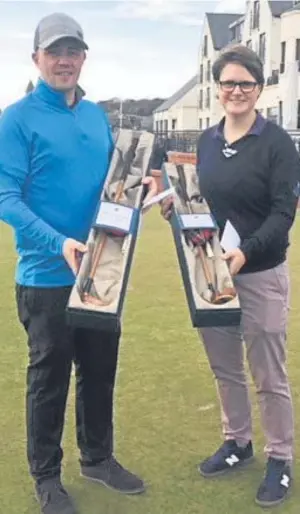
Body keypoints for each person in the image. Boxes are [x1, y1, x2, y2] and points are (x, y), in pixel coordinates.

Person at [0, 12, 157, 514]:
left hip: (101, 272)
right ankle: (47, 477)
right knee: (48, 379)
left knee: (99, 370)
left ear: (84, 56)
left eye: (73, 51)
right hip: (46, 276)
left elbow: (115, 186)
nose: (64, 61)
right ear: (37, 58)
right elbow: (5, 196)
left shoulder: (94, 116)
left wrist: (143, 188)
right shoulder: (16, 118)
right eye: (54, 52)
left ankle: (97, 457)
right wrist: (58, 242)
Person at [161, 44, 300, 508]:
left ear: (258, 88)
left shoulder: (277, 143)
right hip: (212, 272)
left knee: (268, 372)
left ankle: (280, 457)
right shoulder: (205, 141)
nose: (236, 91)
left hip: (259, 270)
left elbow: (284, 213)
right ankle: (238, 442)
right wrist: (176, 208)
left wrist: (245, 253)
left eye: (246, 83)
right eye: (228, 83)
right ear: (218, 89)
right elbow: (203, 206)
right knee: (226, 369)